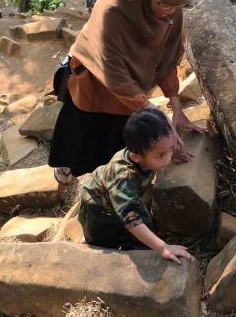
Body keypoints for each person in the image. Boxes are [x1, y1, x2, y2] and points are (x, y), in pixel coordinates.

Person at [50, 0, 206, 185]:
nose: (169, 11)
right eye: (163, 4)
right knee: (83, 128)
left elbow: (168, 57)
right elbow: (111, 69)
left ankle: (110, 181)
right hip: (95, 78)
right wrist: (157, 116)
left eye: (176, 5)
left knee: (117, 135)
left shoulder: (172, 10)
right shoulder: (113, 7)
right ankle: (68, 165)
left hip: (131, 84)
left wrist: (177, 107)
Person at [78, 107, 195, 263]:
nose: (167, 159)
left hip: (120, 198)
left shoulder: (146, 153)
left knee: (143, 221)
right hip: (99, 210)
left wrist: (175, 152)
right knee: (106, 241)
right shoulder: (124, 177)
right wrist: (162, 247)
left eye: (170, 149)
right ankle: (89, 241)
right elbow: (130, 219)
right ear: (136, 157)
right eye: (161, 155)